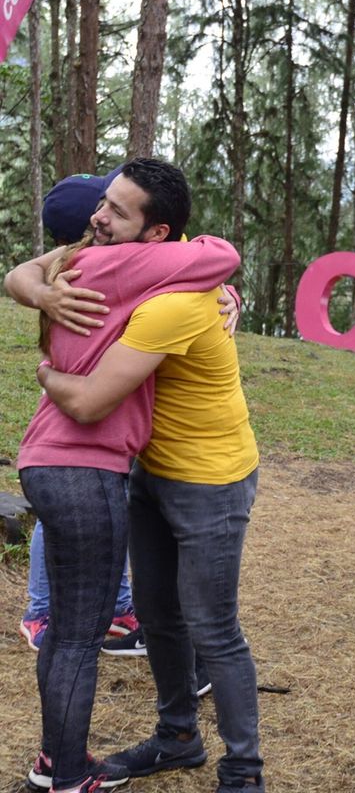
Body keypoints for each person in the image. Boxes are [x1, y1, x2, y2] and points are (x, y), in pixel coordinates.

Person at [13, 158, 264, 793]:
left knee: (214, 625)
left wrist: (46, 374)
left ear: (157, 235)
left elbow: (93, 401)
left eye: (117, 211)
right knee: (158, 614)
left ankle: (244, 769)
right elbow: (33, 268)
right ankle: (178, 738)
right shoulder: (123, 263)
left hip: (210, 478)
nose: (98, 217)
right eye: (104, 201)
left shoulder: (172, 303)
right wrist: (41, 289)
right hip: (149, 469)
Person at [17, 170, 140, 654]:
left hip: (107, 418)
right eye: (104, 205)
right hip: (76, 419)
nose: (107, 214)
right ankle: (41, 610)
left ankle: (116, 605)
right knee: (59, 518)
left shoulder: (86, 268)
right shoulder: (85, 270)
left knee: (114, 510)